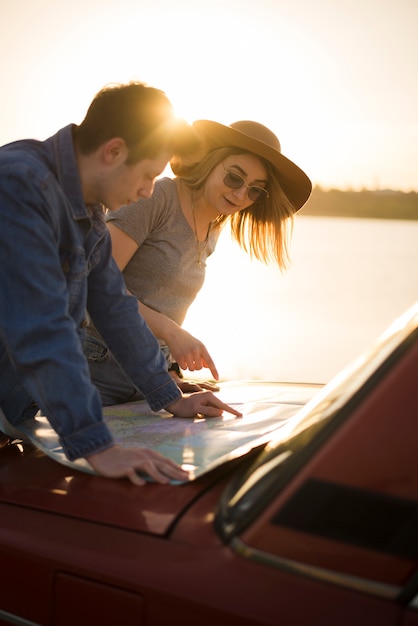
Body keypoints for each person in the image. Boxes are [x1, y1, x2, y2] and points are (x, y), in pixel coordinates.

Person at [0, 82, 241, 487]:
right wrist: (97, 446)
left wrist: (168, 395)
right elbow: (41, 326)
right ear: (113, 152)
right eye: (148, 175)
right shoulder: (20, 185)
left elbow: (114, 305)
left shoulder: (87, 210)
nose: (148, 190)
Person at [83, 119, 312, 402]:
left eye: (255, 190)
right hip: (98, 370)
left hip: (150, 374)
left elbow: (161, 301)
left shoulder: (213, 227)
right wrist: (172, 332)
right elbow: (94, 283)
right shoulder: (157, 198)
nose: (241, 194)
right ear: (211, 161)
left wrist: (168, 372)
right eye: (234, 178)